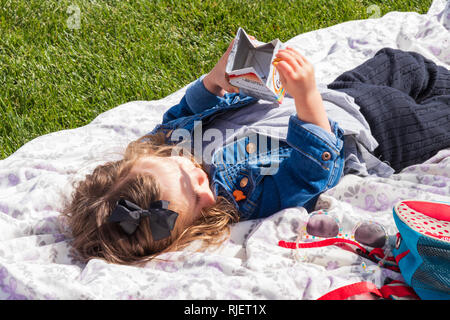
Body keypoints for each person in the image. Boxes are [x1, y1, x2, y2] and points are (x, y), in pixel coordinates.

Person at [62, 37, 450, 266]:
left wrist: (216, 79)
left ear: (156, 157)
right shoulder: (248, 197)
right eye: (198, 203)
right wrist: (306, 96)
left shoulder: (174, 148)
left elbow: (184, 115)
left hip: (340, 93)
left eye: (188, 173)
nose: (204, 189)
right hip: (378, 131)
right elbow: (312, 171)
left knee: (399, 62)